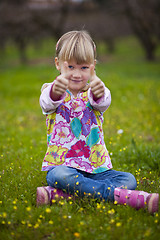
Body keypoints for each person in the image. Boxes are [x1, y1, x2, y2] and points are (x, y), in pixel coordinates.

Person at [37, 30, 159, 214]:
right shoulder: (51, 91)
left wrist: (98, 88)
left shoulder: (95, 93)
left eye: (84, 68)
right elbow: (48, 102)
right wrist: (56, 90)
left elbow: (102, 102)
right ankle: (130, 198)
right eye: (70, 67)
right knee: (58, 175)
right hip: (64, 165)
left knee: (129, 180)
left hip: (97, 168)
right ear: (57, 64)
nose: (77, 74)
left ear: (93, 67)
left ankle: (61, 195)